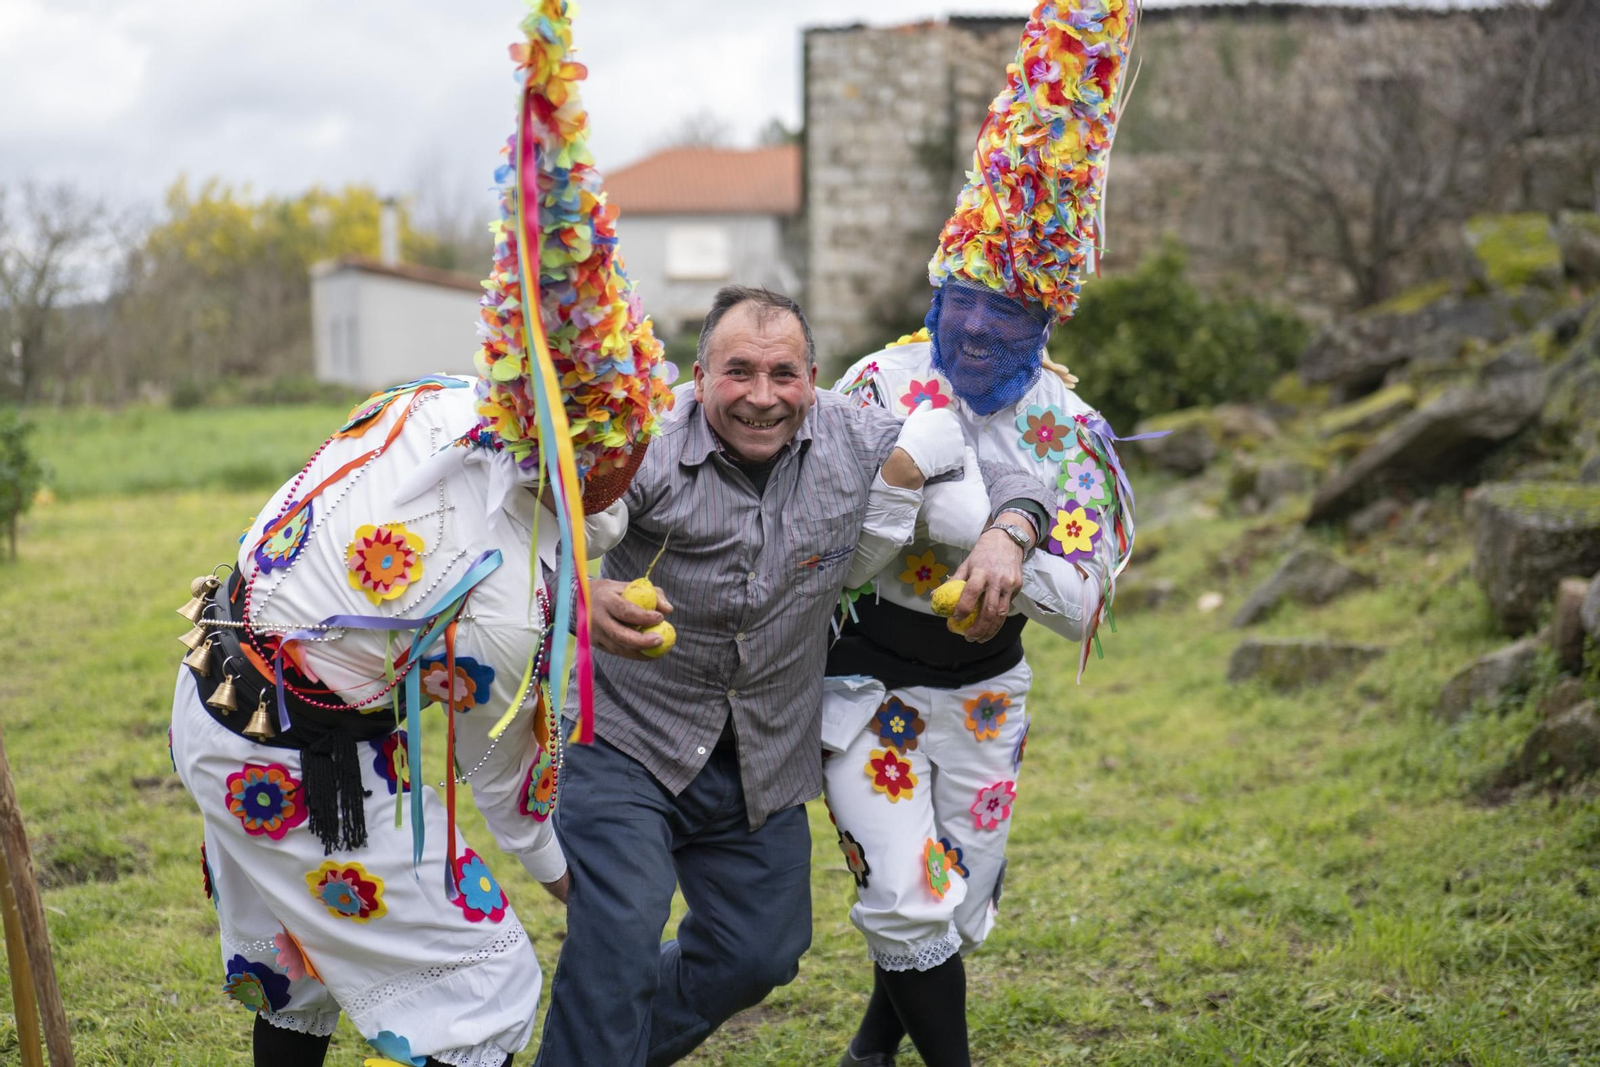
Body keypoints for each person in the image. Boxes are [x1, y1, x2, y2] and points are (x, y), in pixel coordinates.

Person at [168, 6, 677, 1063]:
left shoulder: (449, 399)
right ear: (572, 454)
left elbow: (556, 527)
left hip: (218, 680)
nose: (642, 461)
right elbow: (504, 777)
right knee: (487, 977)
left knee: (301, 967)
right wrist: (571, 884)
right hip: (289, 749)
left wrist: (575, 594)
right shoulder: (495, 590)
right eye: (625, 446)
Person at [531, 284, 1051, 1067]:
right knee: (622, 933)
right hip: (627, 739)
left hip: (762, 755)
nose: (763, 398)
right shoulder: (646, 444)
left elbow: (1009, 475)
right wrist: (581, 594)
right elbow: (533, 524)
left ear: (814, 376)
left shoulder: (858, 436)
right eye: (738, 372)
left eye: (785, 375)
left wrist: (1007, 535)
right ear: (699, 375)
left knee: (762, 950)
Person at [821, 2, 1141, 1065]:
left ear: (1046, 319)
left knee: (952, 901)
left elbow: (1087, 596)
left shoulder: (1069, 429)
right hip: (866, 676)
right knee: (902, 884)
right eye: (953, 303)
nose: (966, 331)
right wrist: (914, 496)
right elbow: (821, 553)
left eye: (999, 316)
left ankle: (875, 1036)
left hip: (988, 690)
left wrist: (1001, 535)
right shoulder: (876, 382)